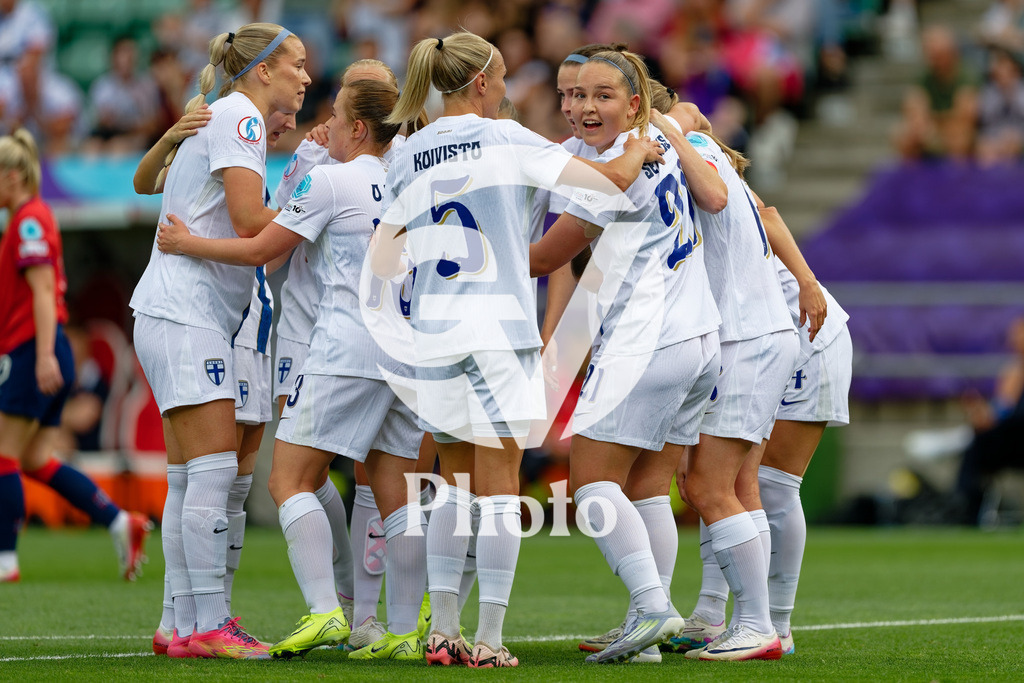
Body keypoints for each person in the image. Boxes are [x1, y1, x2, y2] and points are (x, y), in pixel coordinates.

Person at [371, 31, 665, 668]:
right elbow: (612, 177)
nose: (507, 90)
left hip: (433, 327)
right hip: (498, 328)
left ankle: (443, 633)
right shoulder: (504, 137)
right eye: (502, 79)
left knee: (451, 484)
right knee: (499, 488)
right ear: (480, 83)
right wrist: (643, 141)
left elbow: (388, 252)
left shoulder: (407, 151)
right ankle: (491, 639)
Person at [157, 77, 430, 661]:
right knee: (395, 491)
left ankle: (326, 612)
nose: (323, 126)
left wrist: (188, 245)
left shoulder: (331, 178)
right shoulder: (411, 180)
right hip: (407, 352)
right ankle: (404, 632)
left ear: (358, 129)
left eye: (335, 116)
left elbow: (260, 248)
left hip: (346, 349)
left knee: (289, 479)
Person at [529, 50, 723, 664]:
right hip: (696, 339)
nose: (584, 107)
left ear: (633, 102)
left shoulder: (614, 168)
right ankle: (647, 630)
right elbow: (684, 116)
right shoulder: (655, 139)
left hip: (647, 343)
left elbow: (543, 258)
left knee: (590, 484)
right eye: (574, 95)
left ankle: (653, 606)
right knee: (644, 487)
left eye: (602, 96)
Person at [129, 22, 310, 660]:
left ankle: (181, 624)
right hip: (188, 312)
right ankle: (208, 623)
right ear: (263, 70)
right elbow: (248, 223)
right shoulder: (240, 118)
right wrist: (316, 196)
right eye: (296, 65)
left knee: (190, 476)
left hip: (178, 310)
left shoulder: (227, 115)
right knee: (210, 470)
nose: (307, 77)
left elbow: (184, 194)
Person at [652, 112, 801, 661]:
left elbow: (712, 198)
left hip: (746, 339)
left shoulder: (686, 148)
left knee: (711, 489)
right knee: (732, 488)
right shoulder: (700, 149)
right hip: (753, 335)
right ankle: (751, 623)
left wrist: (668, 130)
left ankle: (758, 625)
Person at [0, 128, 151, 584]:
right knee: (34, 458)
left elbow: (43, 290)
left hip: (33, 348)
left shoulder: (29, 219)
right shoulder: (29, 217)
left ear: (11, 175)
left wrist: (43, 354)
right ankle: (118, 521)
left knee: (4, 454)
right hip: (40, 348)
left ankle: (5, 558)